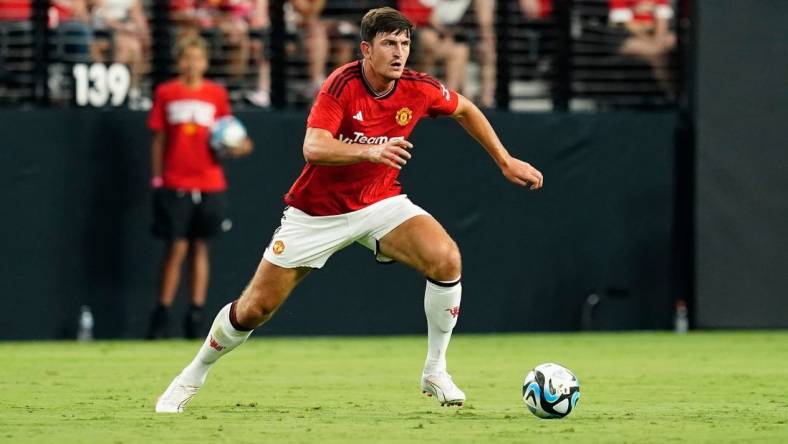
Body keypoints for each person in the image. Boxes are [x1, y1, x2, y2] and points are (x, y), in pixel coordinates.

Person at [155, 7, 542, 412]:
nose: (399, 53)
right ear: (366, 49)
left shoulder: (418, 87)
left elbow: (465, 108)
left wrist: (504, 159)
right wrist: (371, 150)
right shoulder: (341, 84)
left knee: (446, 260)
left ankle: (435, 370)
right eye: (389, 43)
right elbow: (314, 147)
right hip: (317, 214)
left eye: (405, 43)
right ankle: (191, 376)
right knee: (255, 309)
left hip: (380, 202)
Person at [146, 36, 253, 340]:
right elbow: (159, 139)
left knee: (200, 248)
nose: (192, 64)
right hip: (176, 181)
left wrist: (239, 146)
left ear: (205, 62)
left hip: (209, 182)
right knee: (175, 248)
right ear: (179, 62)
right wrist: (158, 177)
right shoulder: (167, 92)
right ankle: (162, 314)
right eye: (186, 58)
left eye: (197, 58)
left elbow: (231, 136)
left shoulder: (216, 94)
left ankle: (196, 314)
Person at [609, 0, 676, 96]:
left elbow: (662, 20)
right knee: (656, 53)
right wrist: (652, 43)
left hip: (654, 35)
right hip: (628, 37)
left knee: (672, 40)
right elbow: (625, 25)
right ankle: (669, 94)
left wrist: (657, 41)